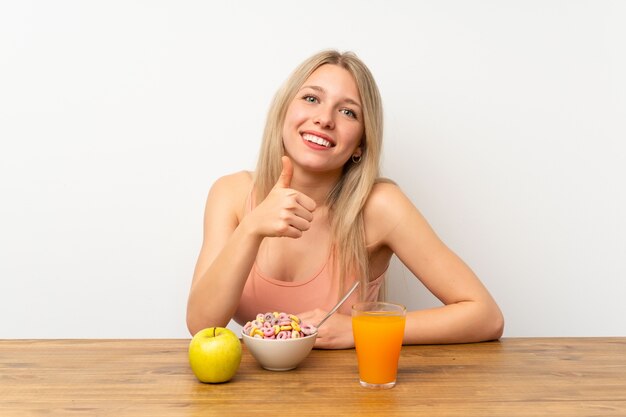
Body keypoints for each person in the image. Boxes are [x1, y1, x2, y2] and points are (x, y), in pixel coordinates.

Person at [186, 50, 504, 349]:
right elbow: (202, 325)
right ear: (283, 111)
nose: (324, 119)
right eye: (311, 98)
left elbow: (485, 316)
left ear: (360, 146)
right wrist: (251, 228)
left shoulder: (381, 206)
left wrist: (360, 329)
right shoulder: (230, 194)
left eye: (348, 111)